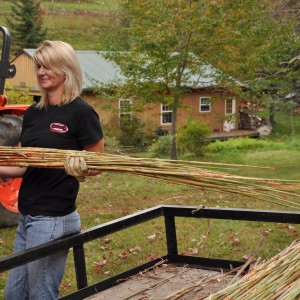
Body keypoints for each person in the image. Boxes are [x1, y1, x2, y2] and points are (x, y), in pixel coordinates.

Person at [1, 40, 104, 300]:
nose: (41, 71)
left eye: (49, 66)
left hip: (53, 218)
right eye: (39, 65)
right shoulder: (34, 113)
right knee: (14, 294)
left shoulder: (81, 112)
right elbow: (24, 165)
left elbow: (98, 164)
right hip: (28, 216)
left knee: (42, 294)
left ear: (66, 69)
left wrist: (81, 167)